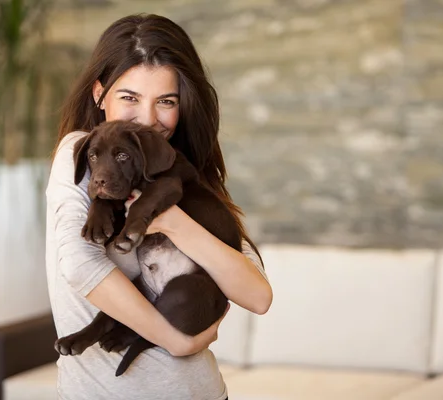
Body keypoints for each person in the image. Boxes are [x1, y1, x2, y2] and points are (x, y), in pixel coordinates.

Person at [45, 13, 273, 400]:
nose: (149, 120)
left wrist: (172, 222)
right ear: (99, 94)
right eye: (130, 98)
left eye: (166, 101)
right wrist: (175, 340)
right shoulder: (84, 151)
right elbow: (80, 264)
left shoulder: (183, 172)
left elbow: (257, 295)